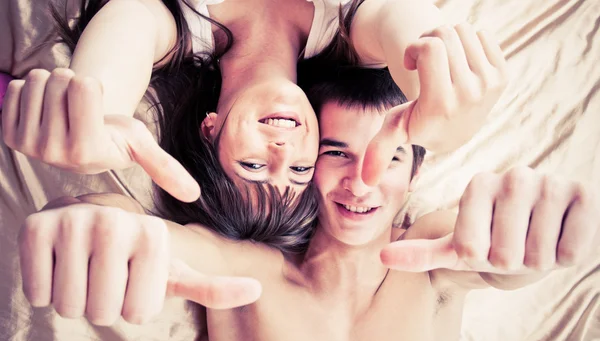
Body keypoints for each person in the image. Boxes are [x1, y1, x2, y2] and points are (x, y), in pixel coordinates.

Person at [18, 65, 598, 341]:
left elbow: (495, 250)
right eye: (336, 153)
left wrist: (535, 236)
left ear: (415, 171)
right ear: (304, 163)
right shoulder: (248, 266)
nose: (361, 183)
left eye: (389, 159)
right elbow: (149, 238)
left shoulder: (429, 253)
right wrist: (94, 220)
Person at [2, 0, 508, 250]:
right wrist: (441, 105)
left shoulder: (169, 24)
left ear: (209, 129)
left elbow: (123, 34)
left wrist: (100, 112)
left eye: (253, 164)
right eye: (300, 171)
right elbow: (405, 29)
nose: (283, 150)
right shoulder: (355, 34)